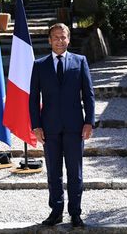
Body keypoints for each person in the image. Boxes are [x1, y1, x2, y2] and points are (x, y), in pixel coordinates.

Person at [29, 23, 95, 227]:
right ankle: (56, 211)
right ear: (49, 40)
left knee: (75, 173)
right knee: (53, 173)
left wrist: (89, 122)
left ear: (68, 39)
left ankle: (75, 213)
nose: (60, 40)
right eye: (55, 37)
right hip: (49, 129)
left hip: (75, 127)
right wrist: (36, 126)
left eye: (63, 37)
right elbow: (33, 99)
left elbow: (89, 94)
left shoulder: (80, 61)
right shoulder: (39, 65)